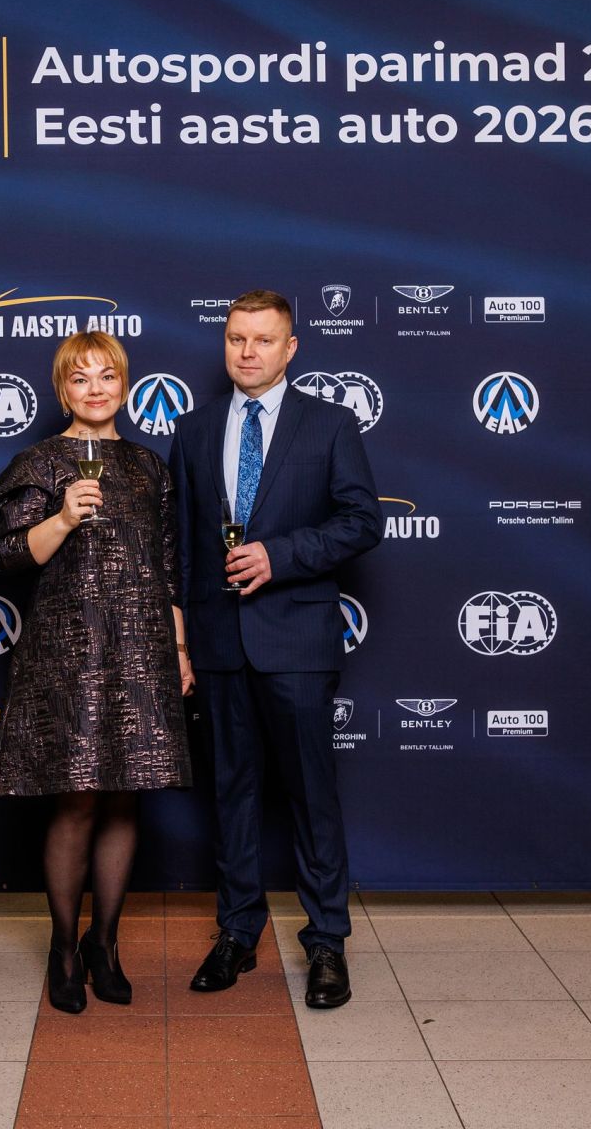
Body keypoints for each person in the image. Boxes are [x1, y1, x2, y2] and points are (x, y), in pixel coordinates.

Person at [169, 289, 382, 1010]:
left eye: (263, 339)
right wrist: (183, 642)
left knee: (311, 794)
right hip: (219, 642)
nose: (248, 351)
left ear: (291, 348)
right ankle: (237, 931)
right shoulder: (194, 429)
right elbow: (183, 546)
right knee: (231, 794)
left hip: (297, 638)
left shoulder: (330, 424)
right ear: (224, 343)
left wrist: (279, 555)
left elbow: (363, 520)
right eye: (237, 338)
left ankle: (327, 942)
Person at [0, 330, 194, 1014]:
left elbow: (168, 568)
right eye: (81, 378)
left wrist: (179, 651)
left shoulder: (148, 466)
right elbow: (9, 555)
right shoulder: (40, 462)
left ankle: (105, 943)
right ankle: (63, 949)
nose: (95, 388)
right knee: (76, 798)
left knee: (126, 796)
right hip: (67, 654)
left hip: (140, 650)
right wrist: (64, 518)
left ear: (125, 386)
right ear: (62, 389)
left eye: (107, 376)